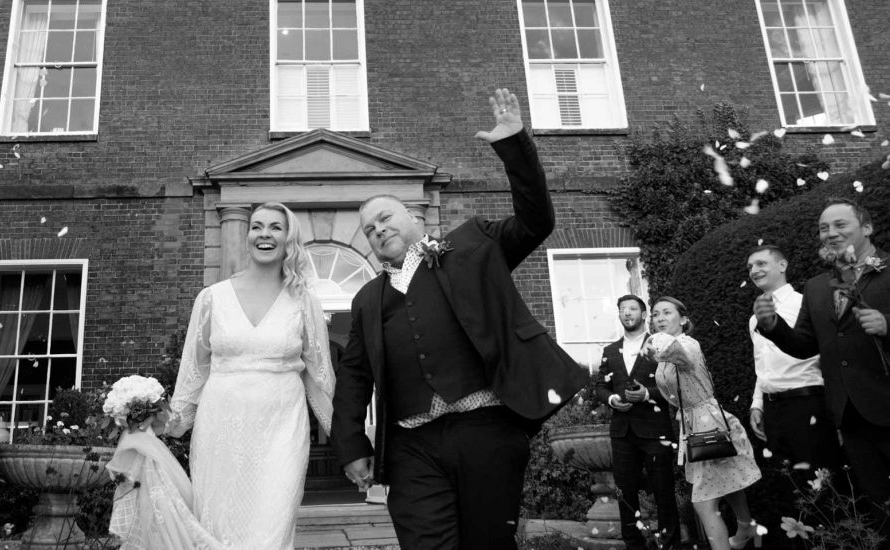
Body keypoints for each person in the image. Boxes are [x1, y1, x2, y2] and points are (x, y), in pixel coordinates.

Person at [330, 88, 589, 549]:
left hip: (485, 430)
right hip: (410, 444)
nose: (378, 229)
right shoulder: (368, 299)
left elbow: (535, 222)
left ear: (413, 216)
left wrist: (515, 147)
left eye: (385, 217)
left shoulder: (472, 247)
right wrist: (352, 445)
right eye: (369, 229)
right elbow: (354, 375)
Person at [125, 202, 334, 549]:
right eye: (256, 226)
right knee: (218, 527)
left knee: (272, 528)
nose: (264, 234)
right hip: (219, 430)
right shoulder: (211, 299)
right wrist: (166, 423)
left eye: (275, 227)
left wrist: (347, 440)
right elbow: (193, 373)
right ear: (248, 234)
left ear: (289, 238)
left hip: (281, 430)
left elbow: (320, 378)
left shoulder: (304, 301)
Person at [754, 198, 890, 544]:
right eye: (823, 228)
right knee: (878, 506)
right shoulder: (817, 286)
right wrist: (772, 326)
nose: (830, 233)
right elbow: (805, 344)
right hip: (850, 415)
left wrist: (888, 325)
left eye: (840, 225)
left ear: (868, 228)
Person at [646, 296, 761, 550]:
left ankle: (738, 533)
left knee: (703, 502)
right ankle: (746, 525)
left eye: (667, 313)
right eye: (655, 314)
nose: (660, 318)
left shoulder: (688, 344)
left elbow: (682, 356)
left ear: (684, 320)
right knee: (727, 480)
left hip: (708, 422)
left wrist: (655, 344)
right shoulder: (663, 353)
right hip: (691, 423)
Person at [745, 245, 839, 469]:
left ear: (782, 265)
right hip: (773, 411)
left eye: (761, 264)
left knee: (822, 480)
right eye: (750, 267)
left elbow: (826, 355)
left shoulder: (804, 304)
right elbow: (763, 364)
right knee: (790, 485)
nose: (753, 270)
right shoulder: (753, 319)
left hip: (807, 403)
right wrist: (757, 404)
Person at [597, 294, 680, 550]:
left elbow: (675, 385)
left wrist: (647, 394)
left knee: (663, 489)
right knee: (624, 492)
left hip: (655, 429)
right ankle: (633, 544)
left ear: (644, 315)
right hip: (622, 431)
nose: (627, 313)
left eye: (633, 308)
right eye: (622, 309)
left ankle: (669, 543)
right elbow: (600, 385)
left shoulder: (662, 345)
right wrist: (611, 399)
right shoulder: (609, 351)